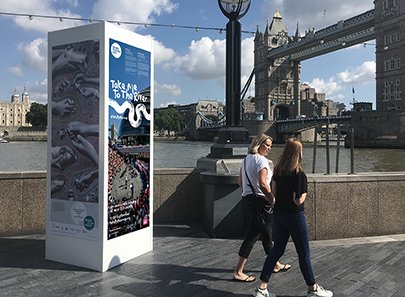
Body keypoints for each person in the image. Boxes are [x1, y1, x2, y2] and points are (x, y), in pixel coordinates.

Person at [253, 138, 333, 297]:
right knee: (303, 253)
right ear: (299, 153)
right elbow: (298, 200)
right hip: (295, 216)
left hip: (279, 215)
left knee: (276, 251)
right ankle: (313, 288)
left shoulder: (278, 171)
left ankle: (262, 288)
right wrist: (303, 193)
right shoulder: (299, 174)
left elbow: (273, 194)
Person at [233, 134, 291, 283]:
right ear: (259, 144)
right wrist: (271, 198)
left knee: (266, 233)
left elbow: (240, 182)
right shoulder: (261, 160)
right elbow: (263, 183)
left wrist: (250, 193)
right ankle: (238, 271)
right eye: (267, 145)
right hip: (261, 201)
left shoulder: (245, 160)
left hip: (249, 199)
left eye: (271, 146)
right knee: (253, 235)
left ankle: (275, 264)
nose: (269, 148)